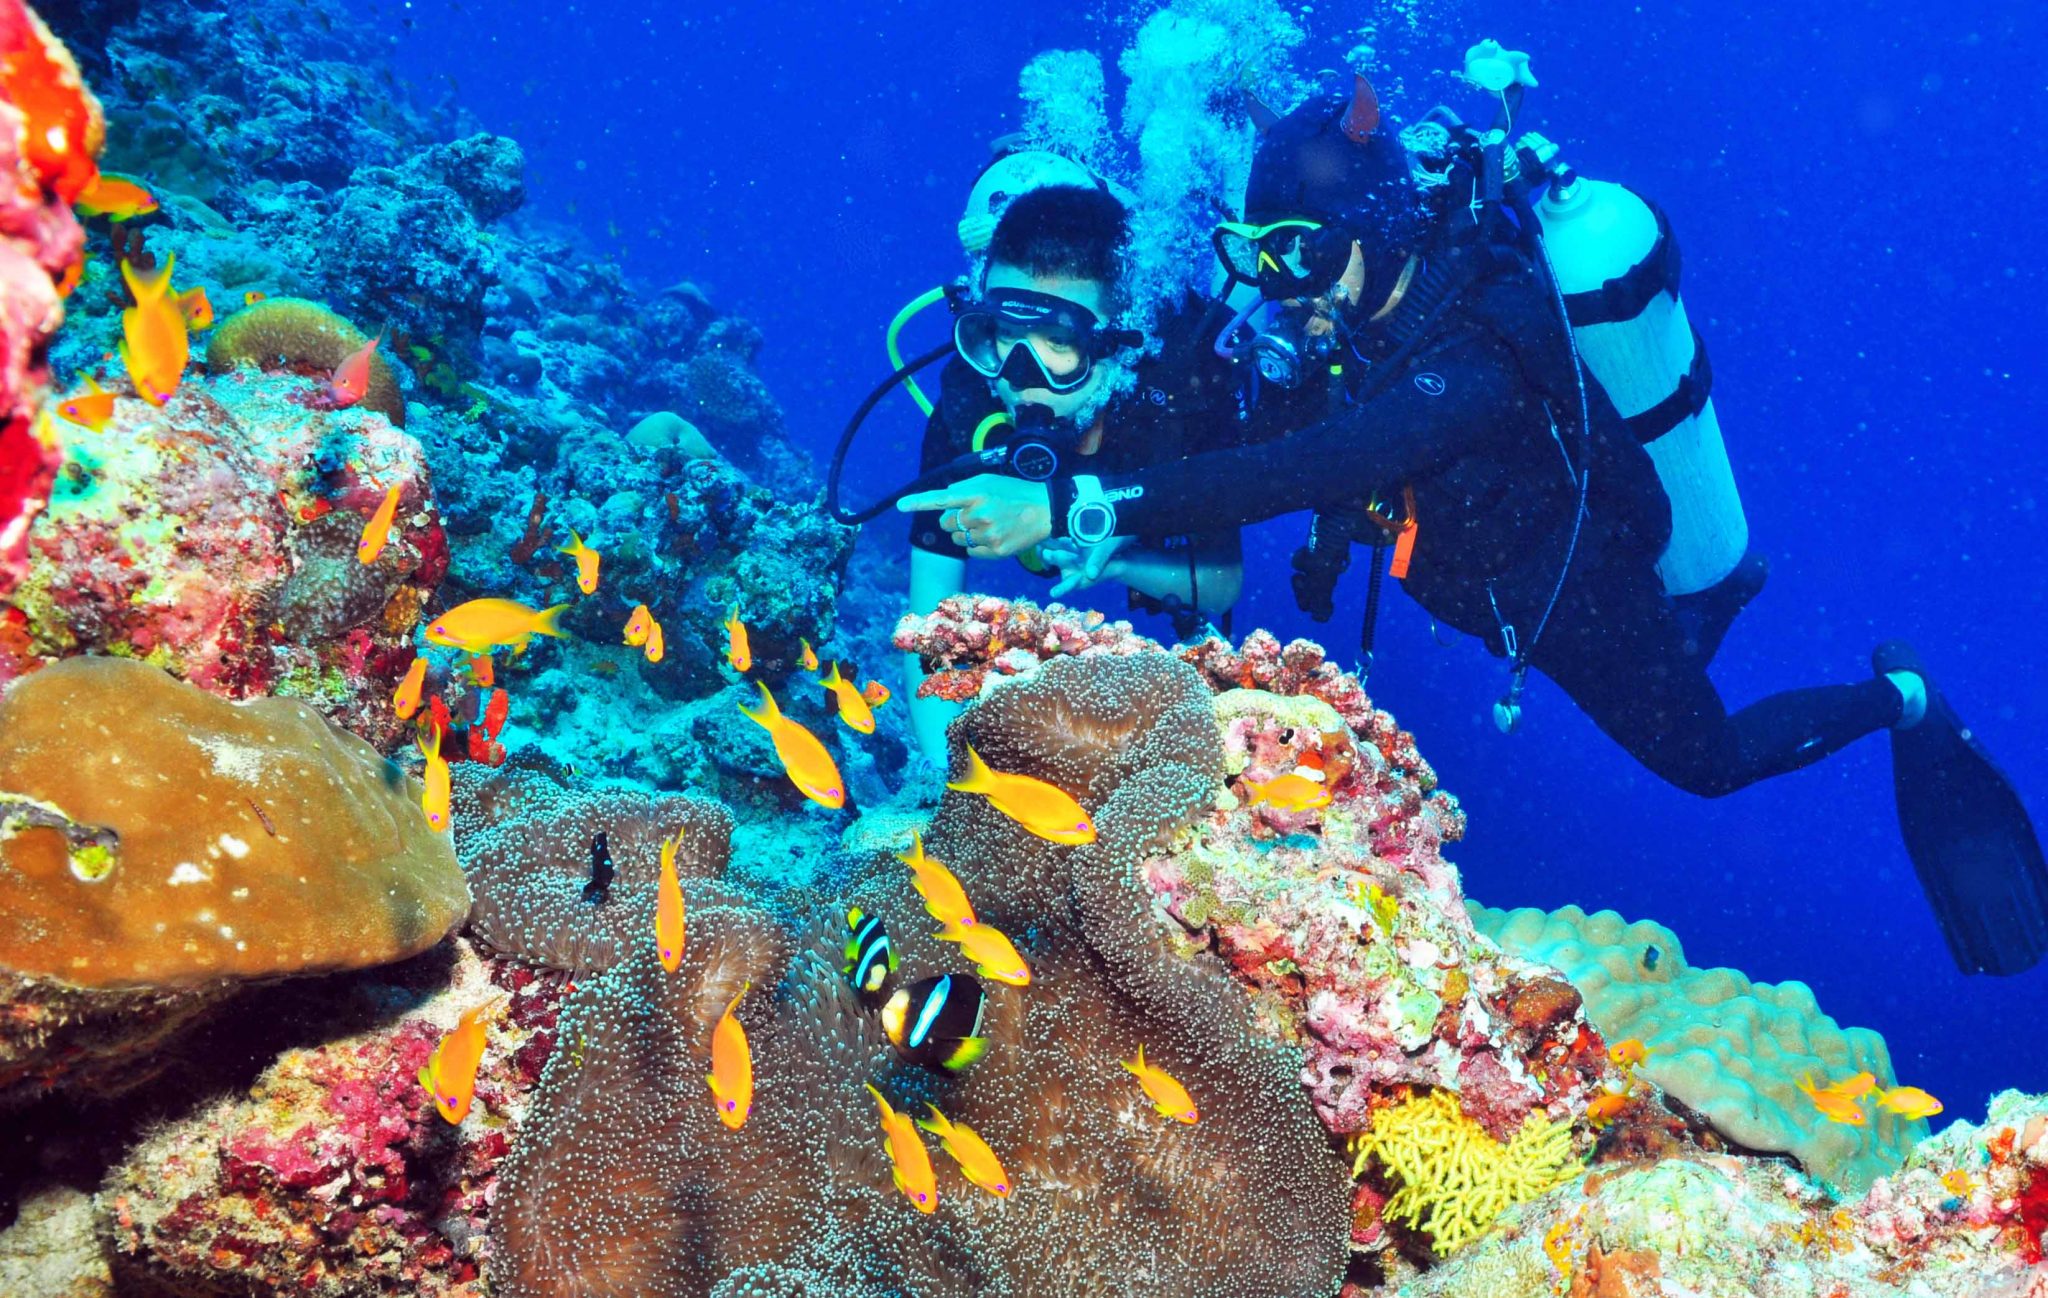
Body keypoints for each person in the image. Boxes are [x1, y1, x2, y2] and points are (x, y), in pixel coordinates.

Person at [898, 76, 2048, 976]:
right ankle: (1711, 602)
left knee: (1703, 758)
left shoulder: (1477, 349)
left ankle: (1900, 697)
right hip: (1483, 583)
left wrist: (1072, 505)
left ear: (1370, 231)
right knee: (1684, 640)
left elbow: (1314, 464)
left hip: (1573, 591)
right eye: (1260, 256)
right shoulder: (1354, 319)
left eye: (1302, 255)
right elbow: (1251, 443)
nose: (1282, 286)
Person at [901, 179, 1253, 760]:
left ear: (1115, 345)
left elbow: (1221, 585)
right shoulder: (970, 401)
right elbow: (926, 622)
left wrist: (1121, 559)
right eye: (1005, 334)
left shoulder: (1178, 401)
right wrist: (952, 778)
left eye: (1059, 343)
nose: (1020, 377)